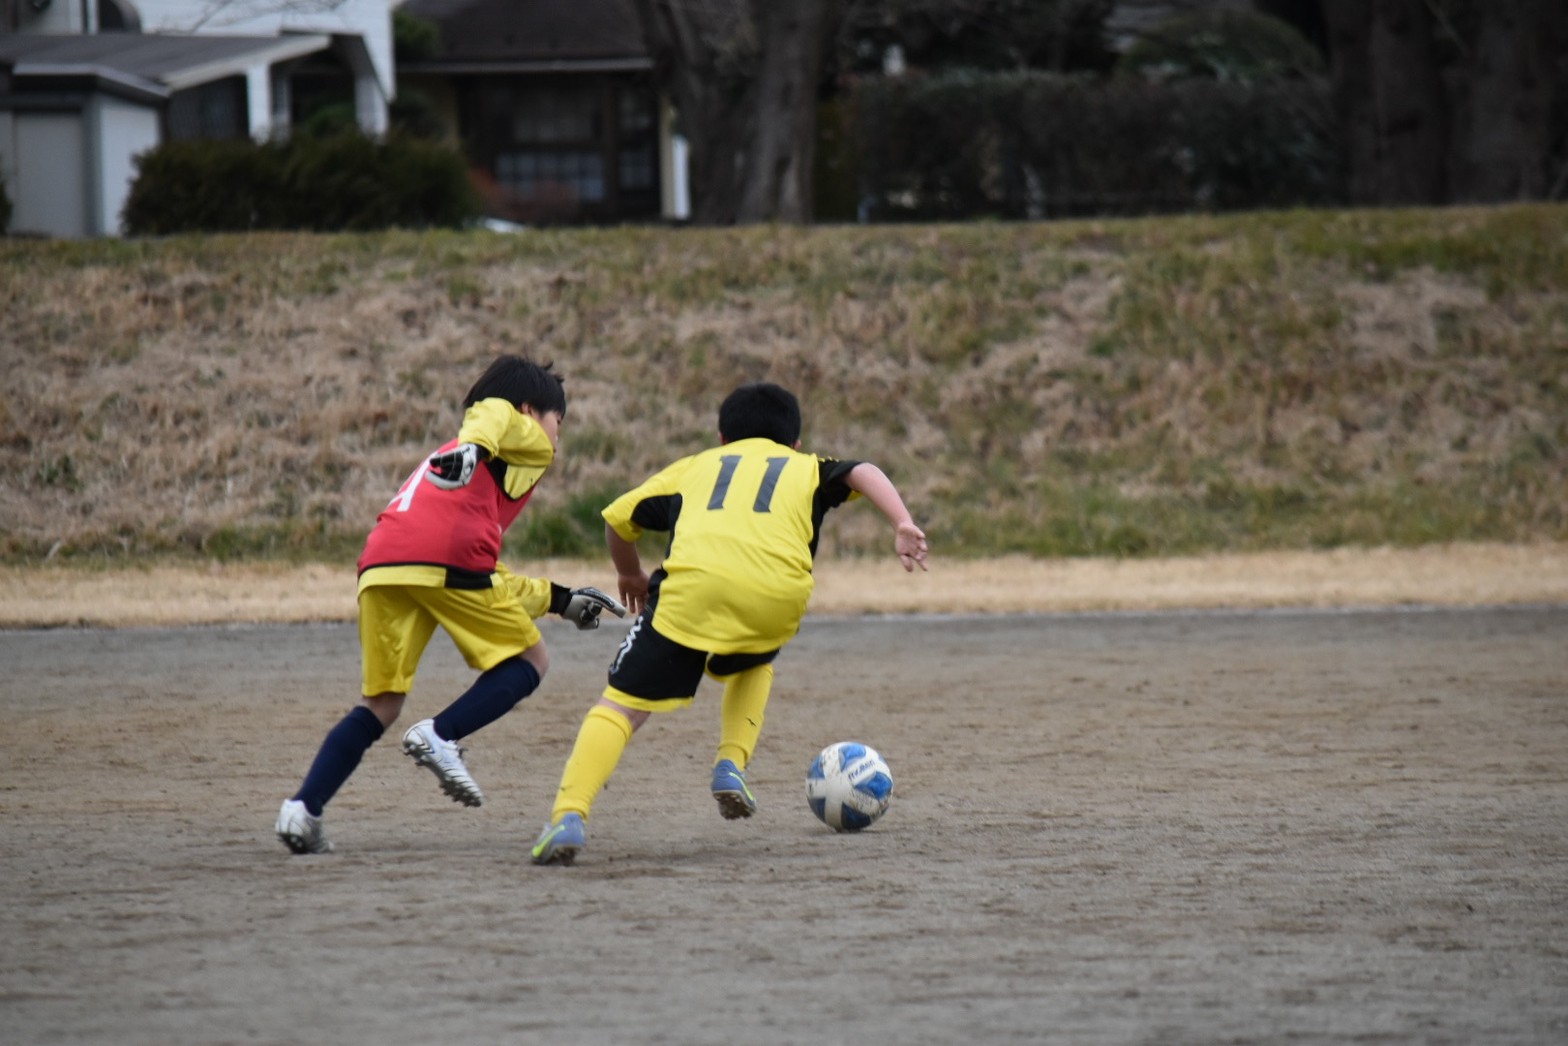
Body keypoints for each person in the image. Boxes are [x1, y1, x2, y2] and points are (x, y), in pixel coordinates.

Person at [529, 381, 928, 865]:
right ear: (795, 443)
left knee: (621, 706)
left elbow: (618, 518)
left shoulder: (694, 466)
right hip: (775, 597)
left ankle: (568, 816)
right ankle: (730, 764)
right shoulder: (806, 467)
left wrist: (628, 572)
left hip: (692, 593)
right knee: (755, 657)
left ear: (722, 439)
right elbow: (862, 470)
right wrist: (901, 521)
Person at [275, 354, 624, 855]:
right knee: (531, 660)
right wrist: (476, 444)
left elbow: (483, 572)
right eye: (557, 423)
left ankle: (302, 810)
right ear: (531, 411)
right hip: (444, 555)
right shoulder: (507, 439)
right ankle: (441, 735)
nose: (556, 438)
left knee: (382, 704)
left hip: (383, 561)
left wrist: (560, 599)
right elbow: (494, 413)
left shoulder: (460, 466)